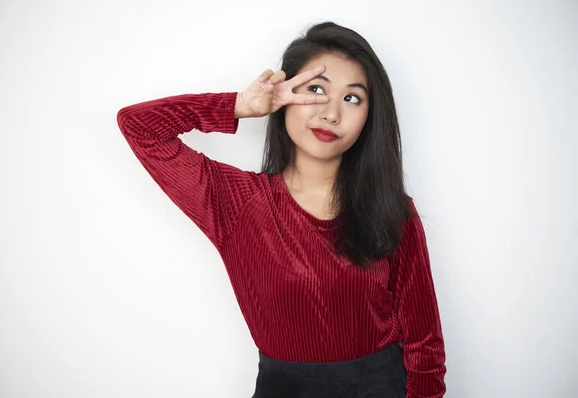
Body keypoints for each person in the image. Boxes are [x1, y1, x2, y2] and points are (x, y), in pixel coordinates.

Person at [117, 21, 446, 398]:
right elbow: (139, 127)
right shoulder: (235, 201)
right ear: (285, 95)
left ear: (370, 116)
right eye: (316, 90)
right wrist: (240, 105)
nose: (331, 114)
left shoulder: (392, 209)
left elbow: (425, 345)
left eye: (352, 98)